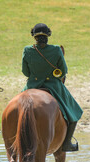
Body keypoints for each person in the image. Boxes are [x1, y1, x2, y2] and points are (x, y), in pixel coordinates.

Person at [22, 23, 83, 152]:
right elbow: (63, 70)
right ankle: (66, 143)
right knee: (74, 111)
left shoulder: (27, 50)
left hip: (32, 85)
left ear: (34, 37)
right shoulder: (56, 50)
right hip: (53, 86)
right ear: (48, 35)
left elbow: (25, 72)